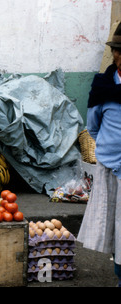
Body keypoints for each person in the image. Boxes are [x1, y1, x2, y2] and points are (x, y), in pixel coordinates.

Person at [77, 22, 121, 287]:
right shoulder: (103, 86)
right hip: (109, 168)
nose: (118, 56)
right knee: (115, 228)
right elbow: (92, 126)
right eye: (117, 50)